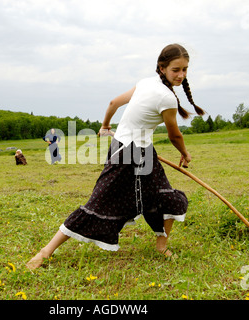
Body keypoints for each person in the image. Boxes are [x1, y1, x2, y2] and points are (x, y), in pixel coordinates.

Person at [26, 43, 205, 269]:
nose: (181, 75)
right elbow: (175, 135)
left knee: (165, 197)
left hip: (136, 150)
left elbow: (114, 103)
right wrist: (185, 154)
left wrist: (105, 125)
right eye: (175, 70)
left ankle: (161, 246)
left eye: (185, 70)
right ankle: (45, 252)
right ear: (162, 68)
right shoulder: (166, 98)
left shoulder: (145, 83)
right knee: (98, 204)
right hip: (130, 153)